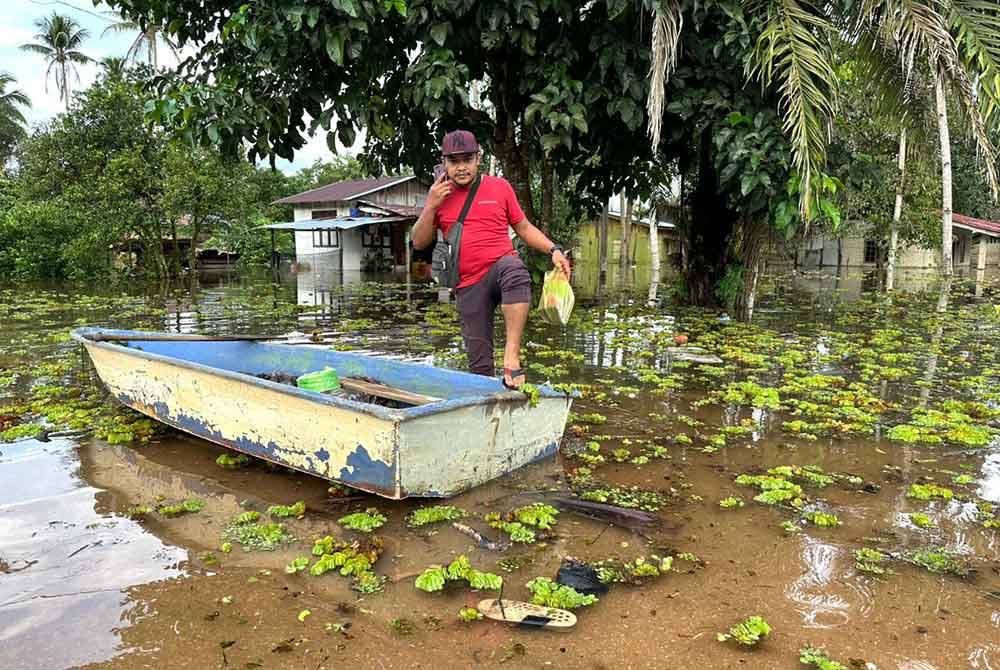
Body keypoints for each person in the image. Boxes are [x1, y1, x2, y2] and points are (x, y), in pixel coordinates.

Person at [411, 129, 571, 389]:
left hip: (500, 267)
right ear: (444, 163)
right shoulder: (438, 195)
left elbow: (523, 227)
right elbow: (419, 242)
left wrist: (554, 249)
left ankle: (511, 354)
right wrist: (430, 205)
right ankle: (489, 402)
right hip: (467, 284)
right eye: (454, 161)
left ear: (478, 159)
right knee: (479, 367)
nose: (461, 167)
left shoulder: (500, 187)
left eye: (467, 159)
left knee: (515, 269)